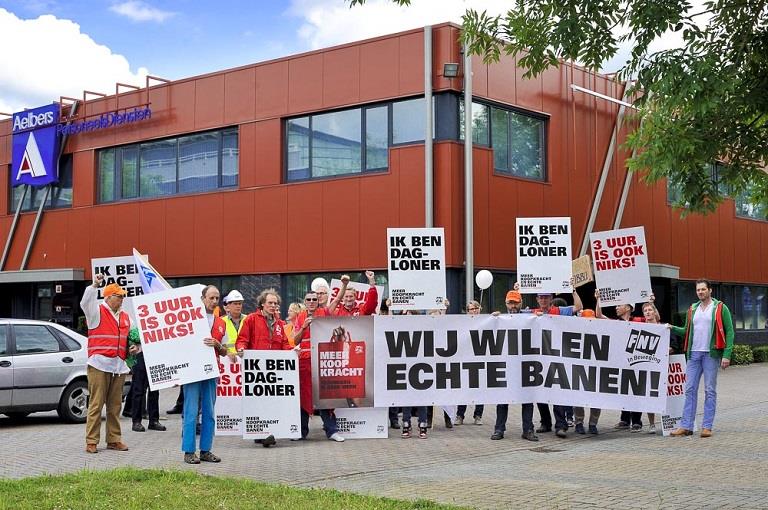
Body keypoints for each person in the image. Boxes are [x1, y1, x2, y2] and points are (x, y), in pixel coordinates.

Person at [670, 279, 734, 438]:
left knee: (709, 390)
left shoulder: (720, 308)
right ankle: (686, 426)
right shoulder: (693, 308)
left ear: (710, 290)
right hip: (693, 354)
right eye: (698, 290)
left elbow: (730, 332)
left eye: (703, 289)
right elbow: (686, 331)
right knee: (690, 389)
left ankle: (707, 427)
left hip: (710, 354)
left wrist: (726, 355)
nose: (700, 292)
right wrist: (672, 328)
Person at [80, 276, 131, 454]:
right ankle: (92, 441)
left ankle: (114, 439)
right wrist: (95, 285)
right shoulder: (96, 312)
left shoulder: (125, 317)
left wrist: (133, 348)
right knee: (96, 404)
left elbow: (129, 340)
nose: (122, 299)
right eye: (118, 296)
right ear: (108, 297)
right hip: (99, 365)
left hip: (118, 366)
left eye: (123, 296)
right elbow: (85, 302)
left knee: (115, 406)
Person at [236, 288, 293, 447]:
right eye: (270, 303)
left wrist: (292, 352)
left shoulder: (280, 324)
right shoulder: (251, 319)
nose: (273, 305)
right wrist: (241, 348)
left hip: (274, 369)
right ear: (262, 304)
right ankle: (261, 432)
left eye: (276, 303)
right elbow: (242, 339)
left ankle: (269, 432)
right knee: (258, 402)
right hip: (257, 369)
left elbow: (284, 344)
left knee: (273, 401)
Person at [528, 287, 583, 438]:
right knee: (540, 393)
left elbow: (578, 307)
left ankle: (561, 425)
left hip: (557, 358)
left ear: (551, 298)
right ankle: (545, 422)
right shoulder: (531, 313)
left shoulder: (560, 311)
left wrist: (573, 291)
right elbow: (512, 316)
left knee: (557, 392)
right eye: (541, 297)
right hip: (539, 360)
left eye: (546, 297)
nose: (544, 300)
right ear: (537, 299)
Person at [292, 288, 346, 442]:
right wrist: (304, 327)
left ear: (318, 301)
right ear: (304, 302)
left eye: (314, 299)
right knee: (303, 397)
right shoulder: (300, 317)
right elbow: (295, 341)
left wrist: (344, 285)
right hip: (304, 363)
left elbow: (336, 301)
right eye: (308, 299)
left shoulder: (324, 313)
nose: (311, 302)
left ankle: (332, 431)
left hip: (322, 360)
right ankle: (301, 432)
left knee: (325, 396)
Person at [181, 285, 228, 464]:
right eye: (211, 298)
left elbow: (225, 352)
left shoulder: (221, 322)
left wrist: (217, 345)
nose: (214, 301)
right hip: (192, 372)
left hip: (211, 371)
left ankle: (206, 450)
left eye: (217, 298)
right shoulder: (190, 320)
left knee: (209, 412)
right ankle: (188, 451)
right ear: (202, 299)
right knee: (191, 412)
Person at [490, 290, 538, 441]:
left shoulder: (529, 317)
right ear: (506, 304)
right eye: (510, 302)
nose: (513, 306)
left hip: (524, 365)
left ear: (521, 303)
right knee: (503, 398)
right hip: (506, 366)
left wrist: (540, 319)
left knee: (527, 398)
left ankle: (528, 429)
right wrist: (492, 319)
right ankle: (499, 429)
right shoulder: (499, 319)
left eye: (515, 302)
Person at [597, 290, 646, 432]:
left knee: (635, 390)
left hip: (636, 361)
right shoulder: (616, 323)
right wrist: (599, 299)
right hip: (621, 362)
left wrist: (651, 302)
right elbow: (599, 316)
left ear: (629, 307)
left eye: (619, 305)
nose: (616, 307)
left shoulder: (639, 321)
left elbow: (655, 318)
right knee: (624, 390)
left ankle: (637, 420)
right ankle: (624, 419)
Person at [126, 327, 165, 433]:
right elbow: (131, 336)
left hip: (155, 354)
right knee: (139, 390)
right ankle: (136, 421)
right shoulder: (139, 321)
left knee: (155, 389)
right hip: (140, 355)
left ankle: (154, 421)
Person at [456, 300, 484, 426]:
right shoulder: (462, 324)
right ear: (467, 312)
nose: (474, 311)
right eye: (471, 309)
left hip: (481, 361)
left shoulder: (485, 321)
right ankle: (460, 415)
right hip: (466, 361)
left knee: (480, 390)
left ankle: (478, 415)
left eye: (476, 308)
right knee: (464, 389)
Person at [221, 290, 248, 357]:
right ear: (228, 305)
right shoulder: (221, 321)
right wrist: (228, 352)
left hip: (245, 357)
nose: (238, 306)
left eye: (240, 303)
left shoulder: (248, 319)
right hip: (227, 359)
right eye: (235, 304)